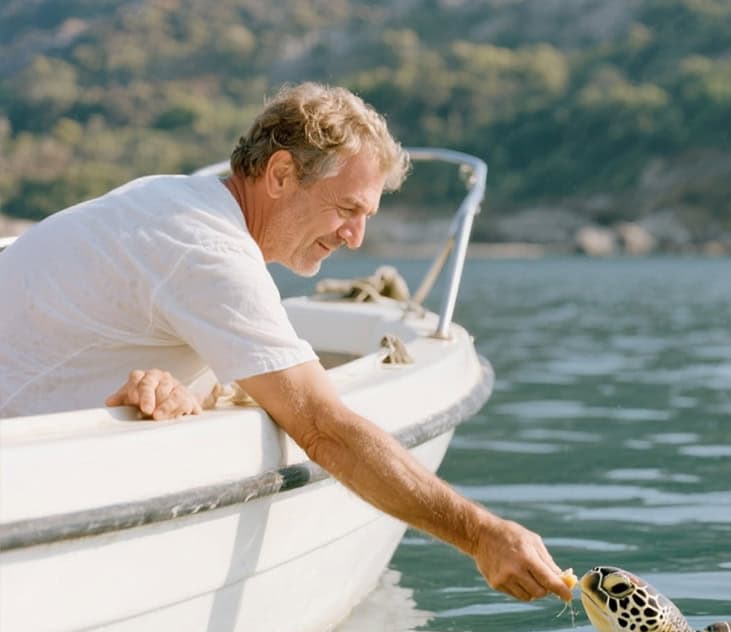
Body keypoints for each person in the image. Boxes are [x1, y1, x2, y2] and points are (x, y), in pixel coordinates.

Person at [0, 82, 571, 603]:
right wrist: (483, 535)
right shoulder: (210, 253)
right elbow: (324, 429)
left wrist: (185, 394)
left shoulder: (169, 200)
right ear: (278, 175)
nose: (355, 237)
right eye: (347, 209)